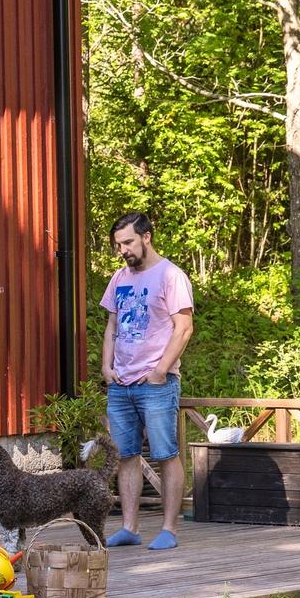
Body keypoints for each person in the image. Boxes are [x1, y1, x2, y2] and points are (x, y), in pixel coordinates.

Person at [100, 210, 195, 550]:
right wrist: (106, 366)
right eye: (118, 245)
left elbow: (183, 328)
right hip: (120, 384)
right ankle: (129, 527)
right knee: (125, 455)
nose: (122, 250)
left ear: (146, 236)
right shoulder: (119, 278)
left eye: (127, 242)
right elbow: (112, 326)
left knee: (165, 453)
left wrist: (159, 371)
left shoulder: (170, 276)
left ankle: (169, 529)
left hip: (156, 383)